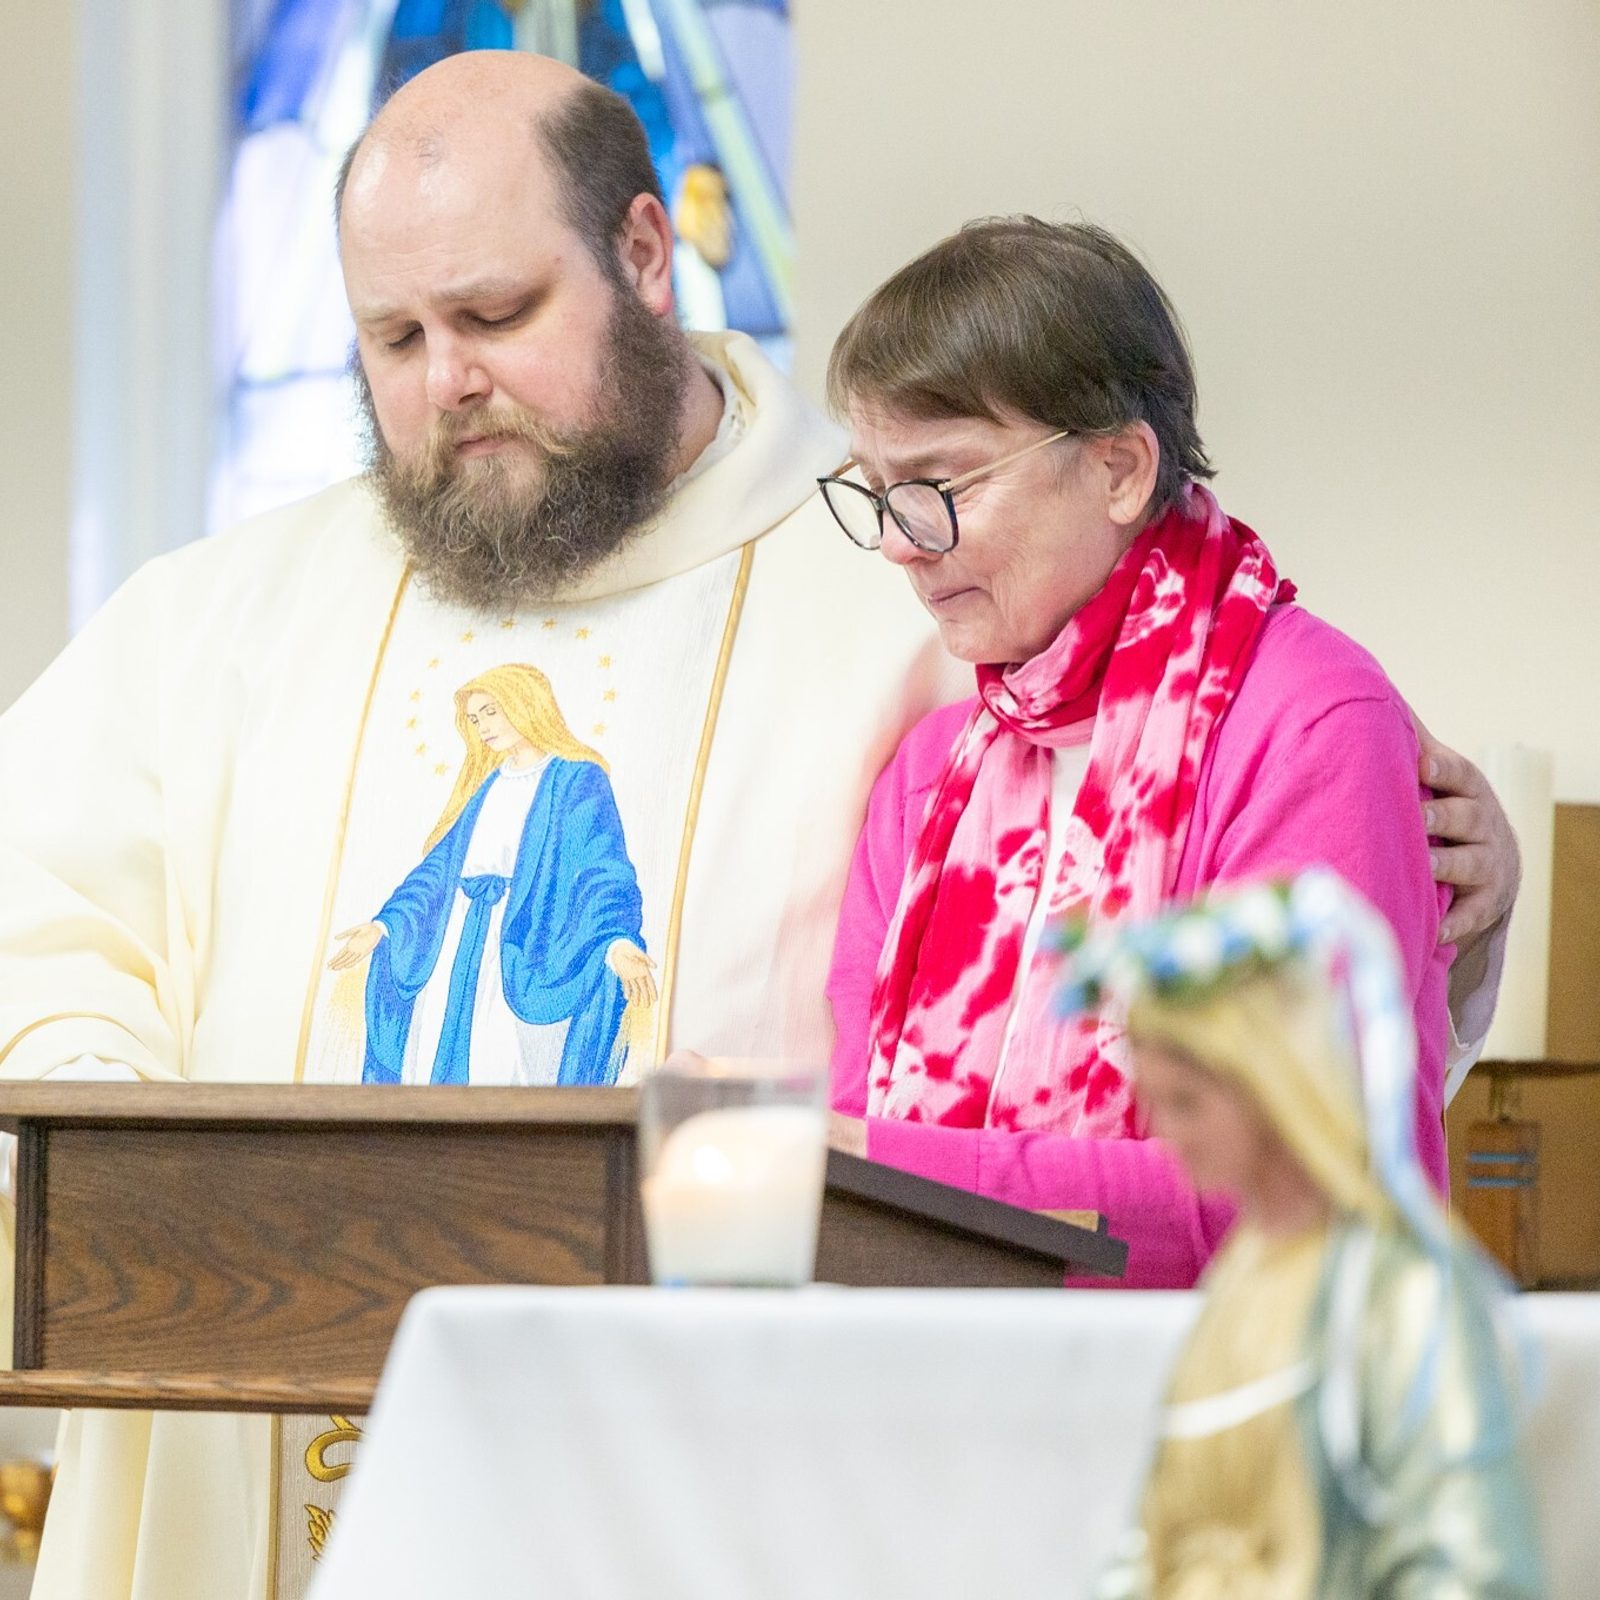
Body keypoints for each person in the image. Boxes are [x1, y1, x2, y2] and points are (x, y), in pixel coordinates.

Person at [0, 58, 1516, 1600]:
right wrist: (123, 1136)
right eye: (392, 338)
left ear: (647, 258)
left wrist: (1453, 876)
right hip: (271, 1424)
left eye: (498, 315)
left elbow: (1246, 889)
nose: (444, 380)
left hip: (816, 1474)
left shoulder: (904, 573)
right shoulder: (219, 619)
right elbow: (38, 913)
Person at [822, 218, 1513, 1288]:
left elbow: (1283, 1188)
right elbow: (852, 1165)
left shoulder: (1306, 723)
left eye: (940, 486)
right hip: (931, 1407)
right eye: (876, 489)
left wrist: (861, 1170)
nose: (897, 541)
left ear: (1117, 468)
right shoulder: (927, 773)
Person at [1060, 872, 1542, 1599]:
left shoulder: (1401, 1291)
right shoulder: (1242, 1281)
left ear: (1268, 1082)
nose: (1165, 1133)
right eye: (1156, 1102)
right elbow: (1159, 1536)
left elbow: (1473, 1569)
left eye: (1187, 1102)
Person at [332, 663, 654, 1087]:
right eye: (474, 717)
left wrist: (616, 940)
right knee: (431, 1057)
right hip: (456, 943)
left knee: (502, 1064)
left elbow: (601, 868)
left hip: (524, 943)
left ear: (525, 704)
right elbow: (439, 869)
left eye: (491, 711)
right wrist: (384, 924)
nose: (482, 726)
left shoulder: (576, 778)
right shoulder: (486, 783)